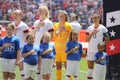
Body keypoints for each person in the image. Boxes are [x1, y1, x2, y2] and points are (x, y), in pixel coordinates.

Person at [33, 6, 54, 80]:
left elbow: (51, 36)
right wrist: (37, 26)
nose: (40, 12)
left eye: (42, 10)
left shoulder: (49, 22)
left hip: (44, 48)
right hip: (36, 46)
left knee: (45, 69)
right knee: (37, 67)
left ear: (46, 11)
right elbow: (32, 34)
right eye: (39, 10)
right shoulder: (36, 22)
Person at [86, 13, 109, 80]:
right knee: (90, 69)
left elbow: (107, 40)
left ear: (99, 18)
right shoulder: (89, 28)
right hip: (90, 50)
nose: (94, 19)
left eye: (96, 18)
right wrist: (92, 33)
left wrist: (101, 46)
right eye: (93, 18)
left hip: (98, 51)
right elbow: (87, 39)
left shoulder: (103, 28)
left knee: (99, 68)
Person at [52, 10, 73, 80]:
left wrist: (66, 31)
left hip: (65, 48)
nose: (61, 17)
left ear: (65, 17)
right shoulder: (55, 25)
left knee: (67, 66)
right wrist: (58, 31)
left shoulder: (69, 26)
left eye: (62, 16)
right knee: (58, 66)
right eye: (59, 16)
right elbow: (53, 37)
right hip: (57, 48)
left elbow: (72, 37)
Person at [12, 9, 29, 80]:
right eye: (14, 14)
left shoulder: (24, 25)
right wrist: (13, 32)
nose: (15, 16)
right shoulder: (11, 25)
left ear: (21, 15)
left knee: (21, 66)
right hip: (13, 48)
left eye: (17, 14)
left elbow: (27, 37)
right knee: (12, 67)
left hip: (21, 48)